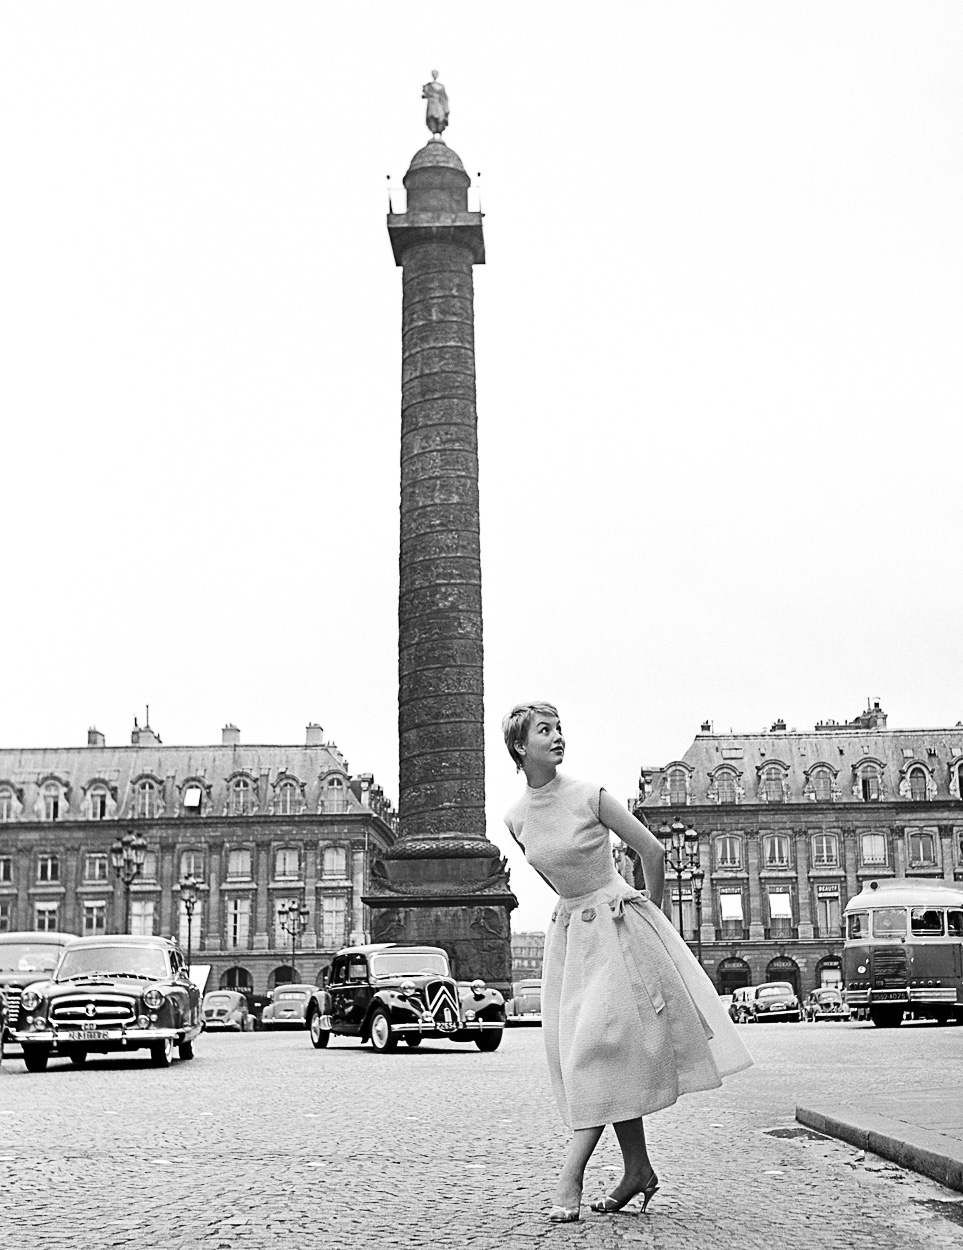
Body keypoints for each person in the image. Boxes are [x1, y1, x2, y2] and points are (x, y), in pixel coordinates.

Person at [502, 701, 752, 1223]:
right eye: (544, 731)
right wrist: (571, 912)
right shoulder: (516, 818)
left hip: (619, 928)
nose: (557, 737)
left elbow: (653, 853)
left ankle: (569, 1177)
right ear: (521, 747)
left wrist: (645, 917)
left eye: (559, 728)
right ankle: (637, 1168)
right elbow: (553, 879)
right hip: (573, 937)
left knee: (594, 1050)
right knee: (603, 1055)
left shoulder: (589, 795)